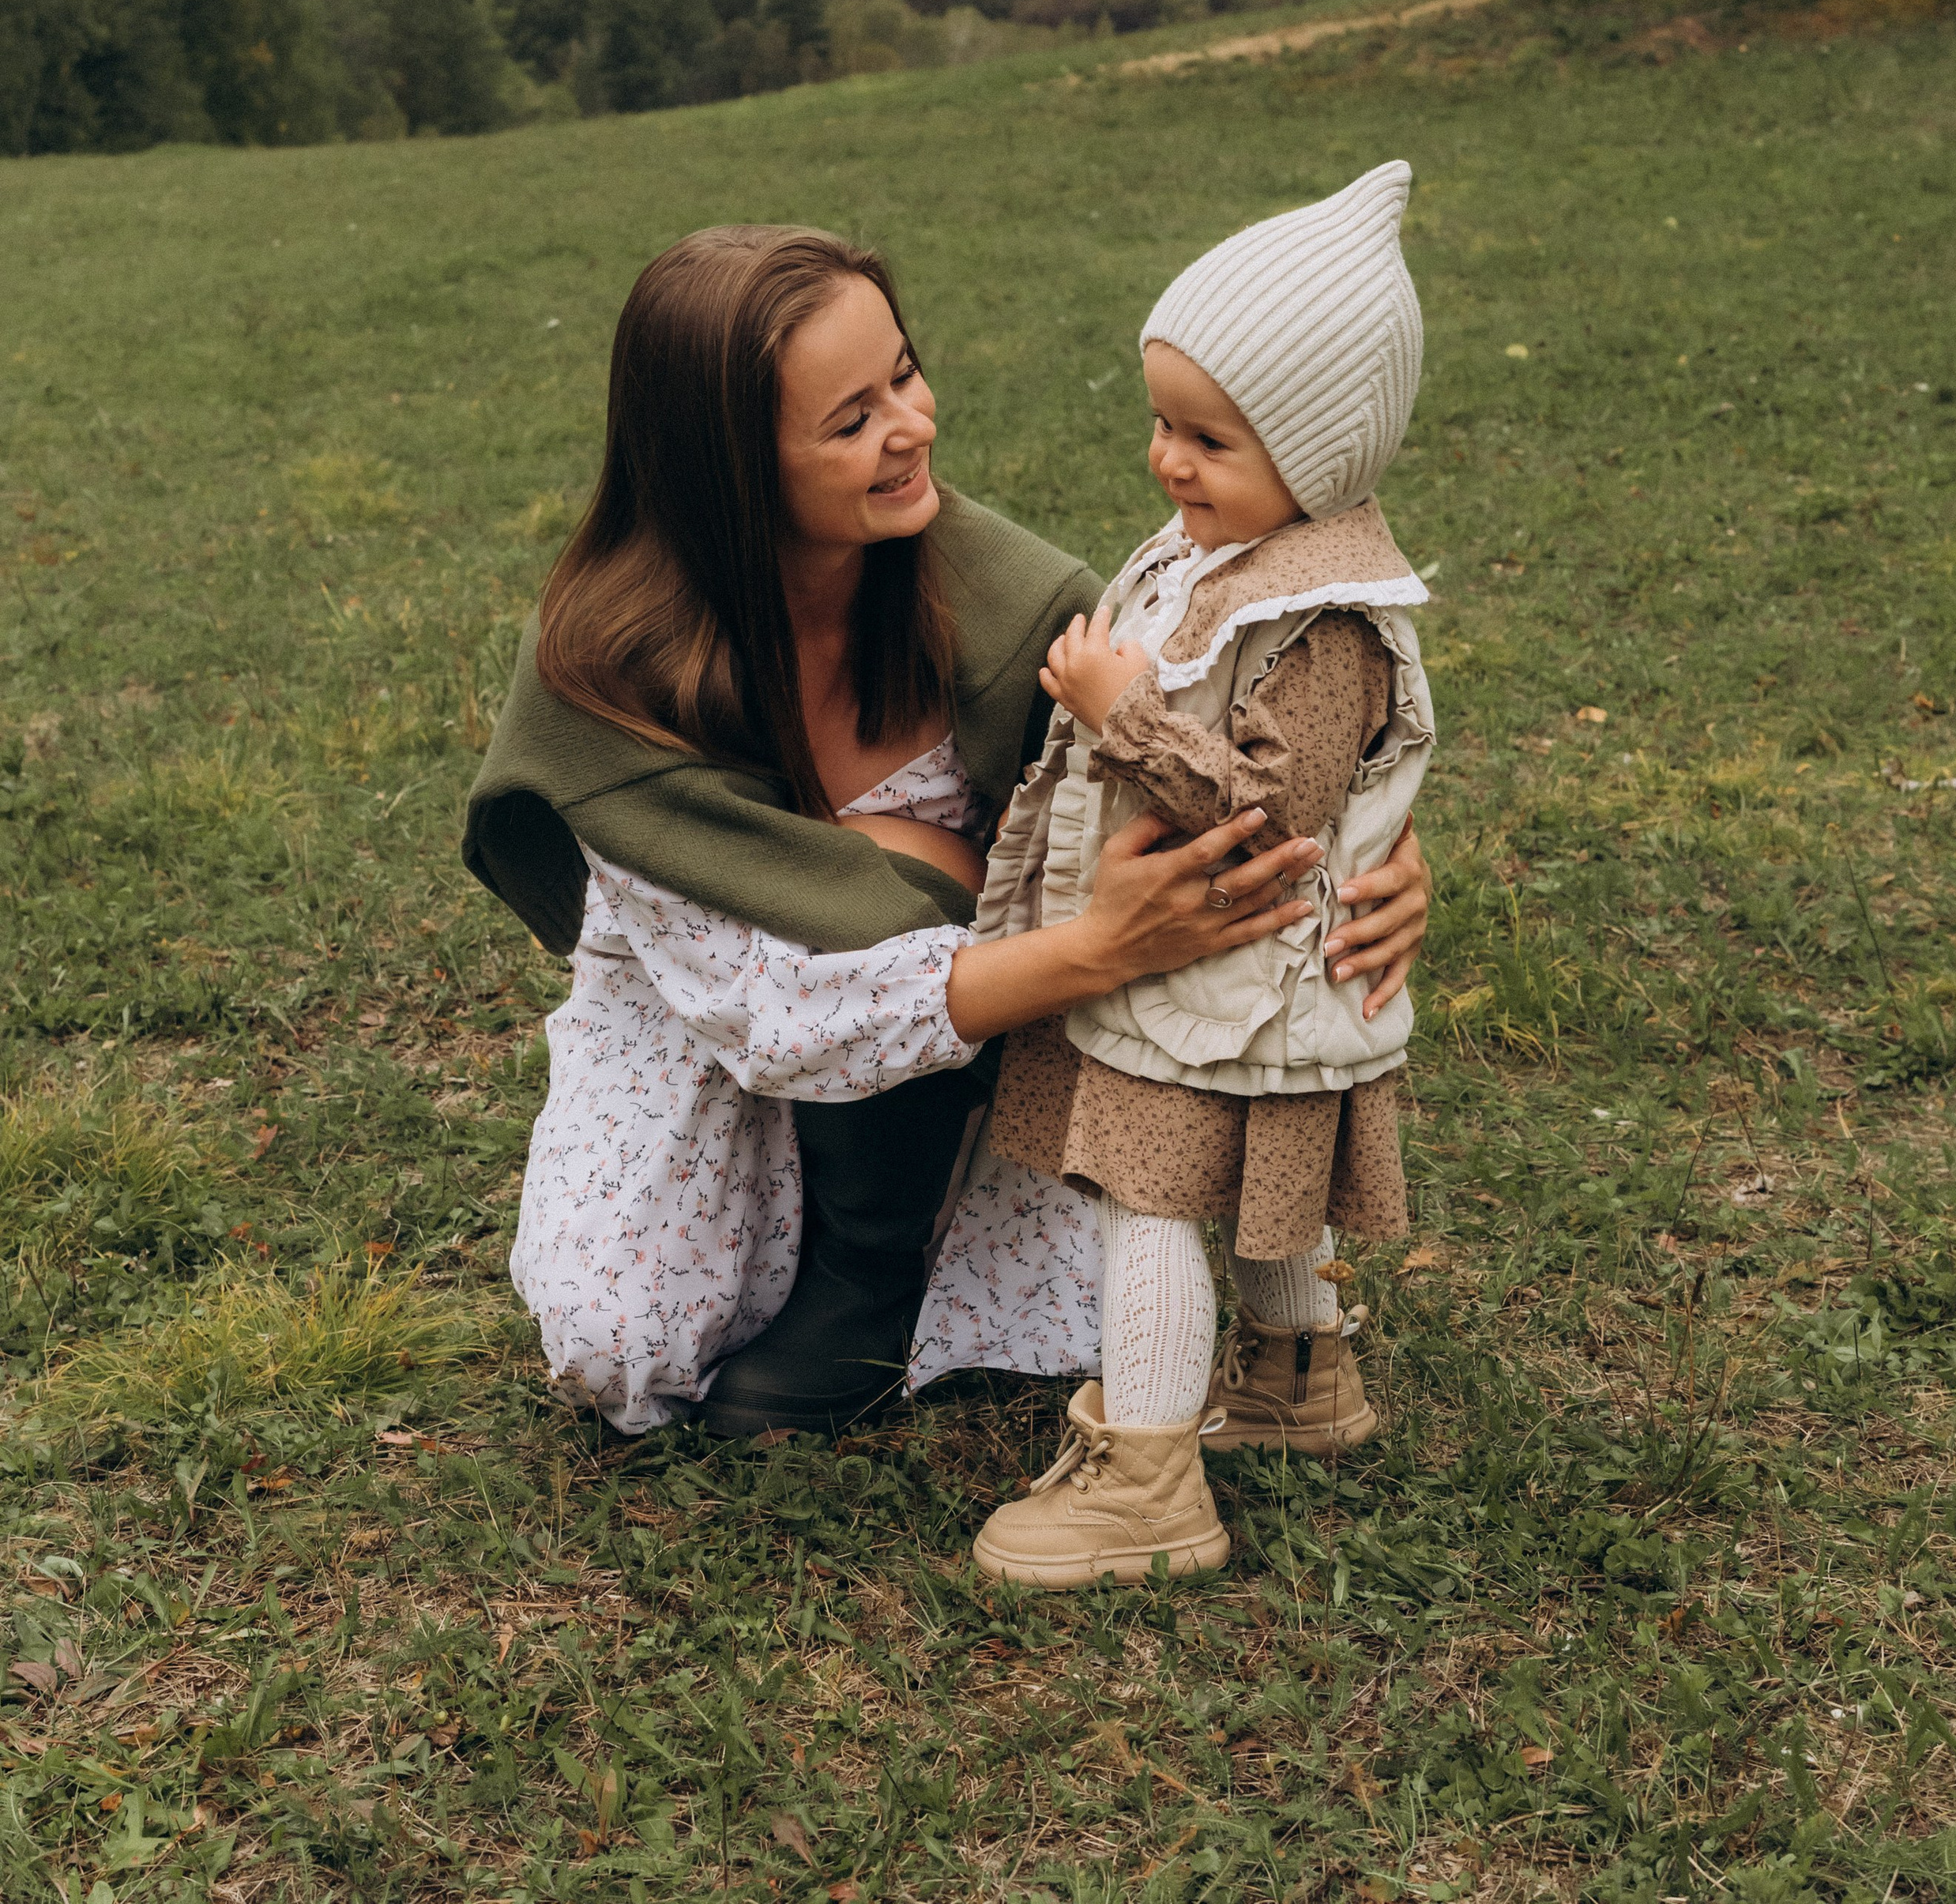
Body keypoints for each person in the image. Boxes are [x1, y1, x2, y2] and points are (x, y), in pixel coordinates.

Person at [463, 220, 1434, 1439]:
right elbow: (780, 1015)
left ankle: (872, 1278)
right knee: (624, 1342)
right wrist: (1091, 949)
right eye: (849, 421)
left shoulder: (1011, 601)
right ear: (726, 465)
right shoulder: (609, 678)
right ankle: (839, 1238)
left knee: (1094, 1276)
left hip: (980, 1023)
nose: (912, 428)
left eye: (904, 377)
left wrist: (1376, 867)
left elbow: (1253, 760)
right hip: (721, 1023)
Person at [965, 162, 1433, 1587]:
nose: (1170, 462)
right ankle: (1304, 1381)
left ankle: (1147, 1481)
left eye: (1210, 439)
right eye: (1163, 423)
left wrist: (1121, 713)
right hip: (1221, 989)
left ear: (1322, 455)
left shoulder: (1326, 618)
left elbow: (1268, 815)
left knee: (1153, 1200)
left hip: (1228, 988)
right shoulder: (1228, 548)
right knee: (1257, 1179)